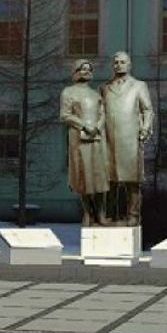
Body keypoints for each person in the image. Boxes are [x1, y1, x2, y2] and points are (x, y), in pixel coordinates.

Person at [99, 51, 154, 225]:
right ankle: (111, 214)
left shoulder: (139, 86)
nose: (118, 65)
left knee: (132, 180)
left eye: (122, 62)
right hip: (109, 139)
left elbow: (147, 109)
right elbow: (100, 112)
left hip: (130, 139)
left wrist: (145, 129)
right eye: (116, 62)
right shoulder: (104, 87)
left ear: (129, 65)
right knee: (110, 181)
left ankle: (133, 215)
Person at [61, 58, 109, 226]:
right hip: (79, 139)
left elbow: (103, 113)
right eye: (83, 68)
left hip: (97, 138)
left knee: (100, 177)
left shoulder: (96, 94)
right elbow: (65, 115)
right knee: (84, 176)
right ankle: (88, 212)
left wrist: (98, 126)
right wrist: (84, 125)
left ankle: (101, 213)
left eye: (89, 69)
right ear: (75, 71)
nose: (87, 71)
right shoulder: (68, 92)